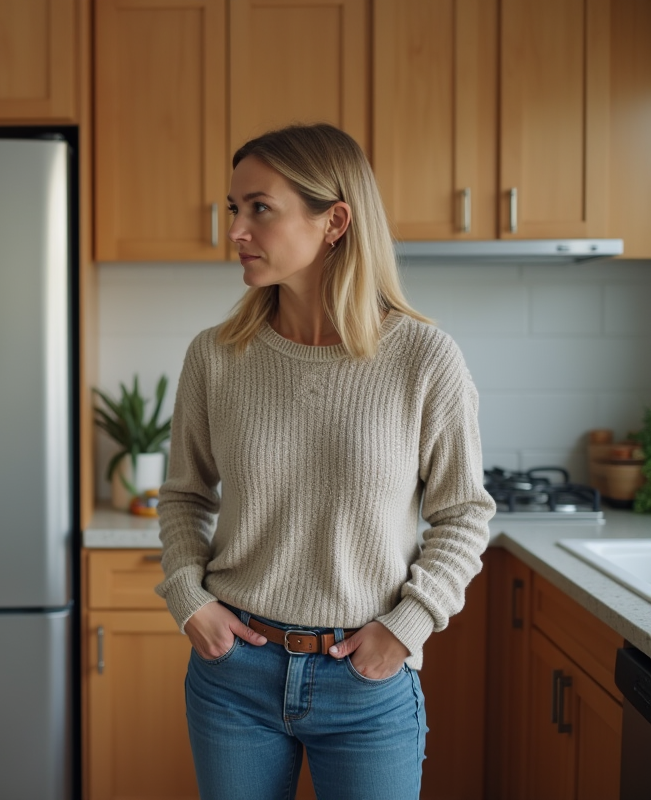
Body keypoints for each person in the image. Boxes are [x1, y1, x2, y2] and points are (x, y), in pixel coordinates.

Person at [154, 122, 496, 800]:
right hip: (234, 678)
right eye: (234, 210)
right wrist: (187, 596)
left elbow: (463, 515)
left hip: (365, 680)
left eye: (259, 208)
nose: (236, 231)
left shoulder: (424, 359)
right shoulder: (216, 356)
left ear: (334, 220)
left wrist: (408, 627)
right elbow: (184, 498)